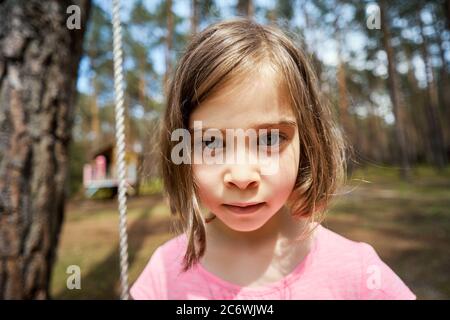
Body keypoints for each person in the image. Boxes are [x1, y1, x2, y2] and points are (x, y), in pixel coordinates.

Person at [130, 18, 416, 300]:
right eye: (210, 142)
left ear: (308, 143)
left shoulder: (360, 275)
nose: (241, 176)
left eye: (269, 139)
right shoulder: (163, 278)